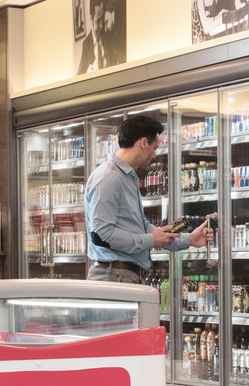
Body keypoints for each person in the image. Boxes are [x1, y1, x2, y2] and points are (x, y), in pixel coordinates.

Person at [86, 115, 211, 284]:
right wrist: (151, 240)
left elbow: (142, 226)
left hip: (122, 275)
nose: (154, 155)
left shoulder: (128, 177)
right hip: (113, 276)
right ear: (143, 143)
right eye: (154, 148)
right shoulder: (108, 177)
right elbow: (101, 234)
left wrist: (189, 239)